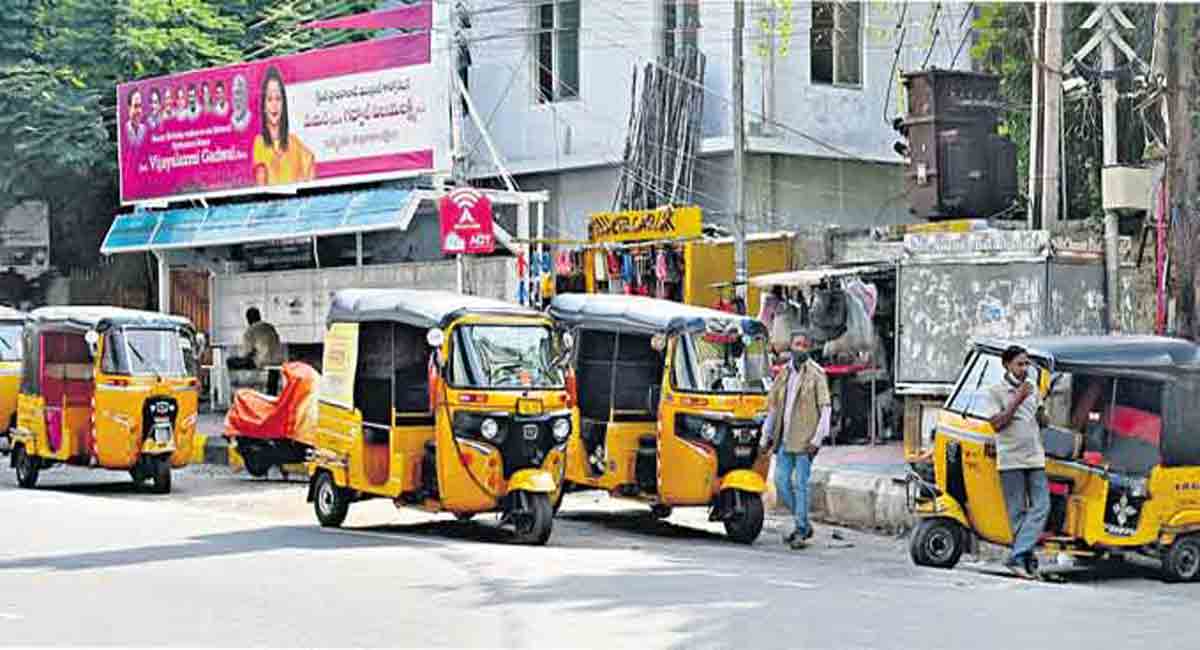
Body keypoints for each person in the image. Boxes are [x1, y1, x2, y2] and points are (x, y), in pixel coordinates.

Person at [985, 345, 1050, 579]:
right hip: (1011, 458)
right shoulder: (995, 391)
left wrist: (1042, 409)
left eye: (1026, 364)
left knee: (1042, 505)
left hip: (1035, 456)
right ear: (1007, 365)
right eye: (1020, 364)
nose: (1024, 368)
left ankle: (1017, 556)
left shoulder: (1032, 388)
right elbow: (997, 424)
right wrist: (1018, 400)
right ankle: (1025, 560)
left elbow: (1042, 419)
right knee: (1017, 513)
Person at [763, 329, 832, 550]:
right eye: (797, 344)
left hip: (805, 440)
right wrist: (767, 435)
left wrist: (818, 438)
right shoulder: (783, 373)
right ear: (791, 346)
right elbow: (773, 408)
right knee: (781, 482)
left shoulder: (816, 374)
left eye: (804, 345)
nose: (800, 348)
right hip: (784, 438)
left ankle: (801, 529)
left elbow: (826, 408)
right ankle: (803, 522)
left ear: (809, 348)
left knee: (801, 485)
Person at [252, 66, 315, 186]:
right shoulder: (259, 144)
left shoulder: (295, 143)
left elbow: (310, 165)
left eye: (278, 99)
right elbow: (261, 186)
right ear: (264, 106)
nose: (274, 105)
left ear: (283, 104)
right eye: (269, 99)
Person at [226, 307, 284, 395]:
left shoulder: (250, 330)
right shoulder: (269, 327)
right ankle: (272, 395)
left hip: (262, 362)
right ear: (259, 316)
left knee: (230, 361)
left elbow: (247, 352)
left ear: (248, 319)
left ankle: (235, 391)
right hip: (278, 361)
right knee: (272, 365)